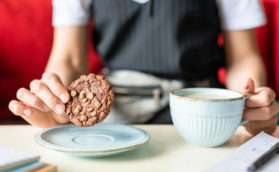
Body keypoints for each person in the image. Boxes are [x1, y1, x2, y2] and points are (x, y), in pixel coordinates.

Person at [8, 0, 279, 135]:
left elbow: (243, 58)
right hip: (115, 116)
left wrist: (249, 101)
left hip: (202, 110)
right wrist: (58, 102)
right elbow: (69, 60)